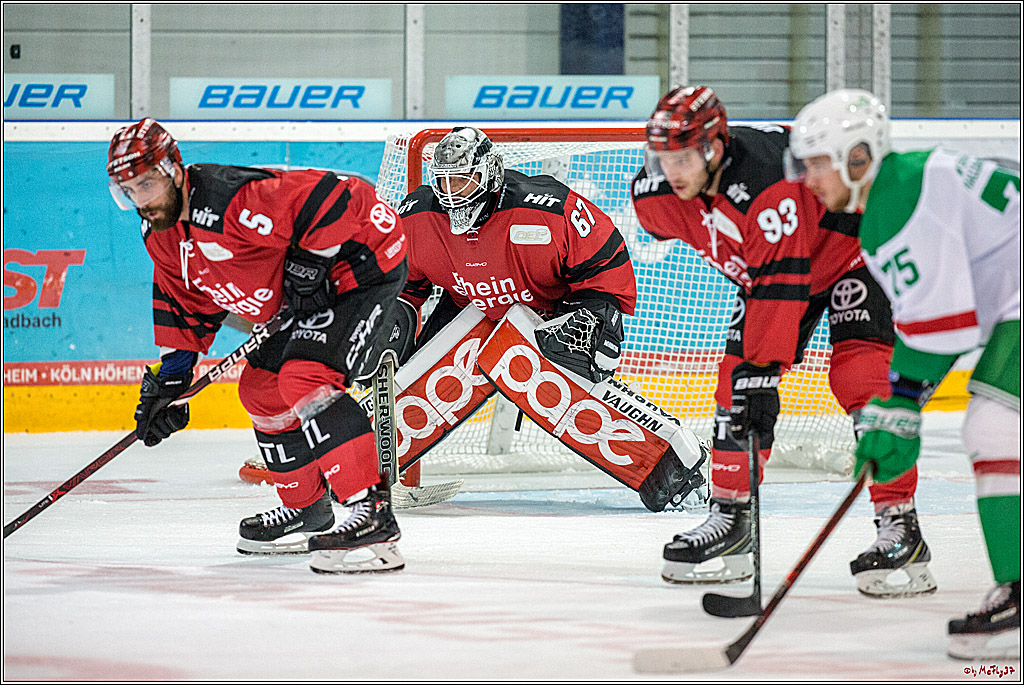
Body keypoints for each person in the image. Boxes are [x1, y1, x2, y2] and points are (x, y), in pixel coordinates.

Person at [631, 86, 931, 596]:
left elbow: (781, 288)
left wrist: (760, 373)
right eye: (662, 158)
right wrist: (750, 381)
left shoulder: (768, 191)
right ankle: (731, 522)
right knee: (734, 383)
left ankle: (900, 525)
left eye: (682, 157)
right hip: (780, 273)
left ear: (714, 148)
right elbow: (766, 283)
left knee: (859, 377)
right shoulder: (656, 198)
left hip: (849, 255)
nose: (671, 170)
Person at [106, 118, 409, 574]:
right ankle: (307, 508)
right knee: (262, 390)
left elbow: (341, 196)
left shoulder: (233, 198)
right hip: (304, 293)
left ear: (173, 168)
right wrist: (171, 380)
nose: (141, 200)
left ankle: (374, 519)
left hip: (359, 263)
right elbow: (184, 300)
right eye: (129, 190)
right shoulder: (161, 235)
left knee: (306, 377)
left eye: (147, 183)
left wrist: (310, 263)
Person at [786, 88, 1020, 660]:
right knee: (998, 430)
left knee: (991, 428)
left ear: (858, 157)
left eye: (819, 163)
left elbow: (942, 332)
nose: (809, 179)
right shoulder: (910, 180)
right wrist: (901, 405)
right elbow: (942, 324)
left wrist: (899, 409)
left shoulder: (895, 202)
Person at [382, 126, 710, 513]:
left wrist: (595, 316)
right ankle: (354, 471)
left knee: (536, 370)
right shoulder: (417, 216)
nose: (453, 192)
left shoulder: (546, 208)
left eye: (464, 180)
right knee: (409, 381)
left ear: (489, 174)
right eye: (444, 181)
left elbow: (606, 257)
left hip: (554, 315)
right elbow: (404, 284)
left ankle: (680, 464)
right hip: (470, 308)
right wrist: (393, 321)